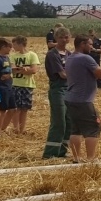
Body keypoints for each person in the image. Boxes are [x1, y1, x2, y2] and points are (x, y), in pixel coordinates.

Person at [64, 34, 101, 161]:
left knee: (75, 129)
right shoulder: (85, 58)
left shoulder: (70, 57)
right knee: (93, 128)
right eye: (89, 44)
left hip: (70, 98)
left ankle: (76, 158)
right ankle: (91, 159)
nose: (92, 47)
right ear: (82, 44)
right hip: (83, 100)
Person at [43, 26, 71, 158]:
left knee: (69, 120)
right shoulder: (52, 54)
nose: (64, 40)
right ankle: (50, 153)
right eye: (61, 37)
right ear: (56, 38)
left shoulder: (69, 54)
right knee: (58, 120)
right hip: (58, 89)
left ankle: (62, 151)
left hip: (70, 89)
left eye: (66, 37)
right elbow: (63, 74)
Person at [9, 35, 39, 136]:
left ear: (20, 44)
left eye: (14, 44)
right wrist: (24, 69)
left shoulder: (32, 55)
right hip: (15, 84)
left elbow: (34, 70)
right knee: (16, 108)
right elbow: (11, 69)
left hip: (27, 85)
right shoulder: (13, 56)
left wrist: (24, 69)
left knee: (24, 108)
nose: (13, 47)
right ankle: (15, 129)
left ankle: (22, 129)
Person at [0, 37, 14, 136]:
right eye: (9, 47)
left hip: (9, 86)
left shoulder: (7, 58)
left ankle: (2, 129)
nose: (11, 49)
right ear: (3, 47)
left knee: (13, 109)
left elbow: (10, 70)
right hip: (2, 88)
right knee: (2, 110)